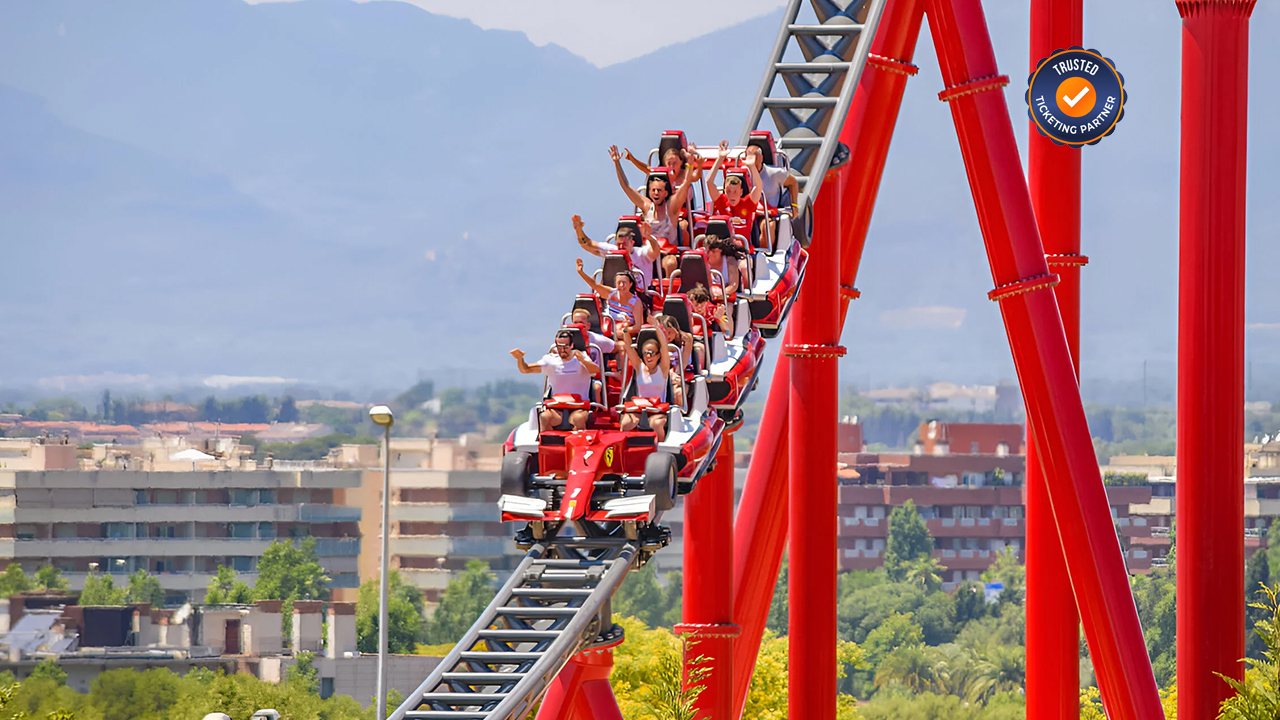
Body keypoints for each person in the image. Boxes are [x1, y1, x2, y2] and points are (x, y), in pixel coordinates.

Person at [609, 145, 696, 275]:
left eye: (659, 190)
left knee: (670, 263)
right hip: (648, 253)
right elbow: (626, 187)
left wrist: (690, 164)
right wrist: (617, 163)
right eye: (653, 190)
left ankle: (667, 287)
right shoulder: (646, 205)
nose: (656, 193)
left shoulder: (672, 206)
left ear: (665, 193)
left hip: (666, 253)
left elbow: (686, 183)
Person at [510, 330, 601, 432]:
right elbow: (526, 369)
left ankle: (579, 440)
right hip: (556, 408)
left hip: (578, 407)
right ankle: (547, 440)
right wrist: (520, 358)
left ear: (571, 345)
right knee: (545, 417)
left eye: (565, 346)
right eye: (559, 347)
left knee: (578, 419)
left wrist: (582, 360)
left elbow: (595, 370)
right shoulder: (551, 360)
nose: (562, 350)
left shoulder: (581, 358)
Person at [573, 215, 661, 289]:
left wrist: (649, 238)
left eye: (624, 244)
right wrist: (578, 230)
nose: (621, 247)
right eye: (619, 244)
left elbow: (655, 251)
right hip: (616, 293)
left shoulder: (641, 254)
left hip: (641, 295)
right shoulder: (613, 251)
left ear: (632, 242)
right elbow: (589, 245)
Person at [619, 328, 676, 440]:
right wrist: (626, 331)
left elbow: (664, 347)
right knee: (626, 423)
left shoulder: (663, 369)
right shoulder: (639, 367)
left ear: (658, 355)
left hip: (657, 410)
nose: (648, 356)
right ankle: (622, 446)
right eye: (645, 353)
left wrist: (657, 328)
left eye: (652, 353)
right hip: (640, 409)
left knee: (656, 424)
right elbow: (629, 348)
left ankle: (660, 446)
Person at [743, 143, 800, 245]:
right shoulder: (743, 174)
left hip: (768, 213)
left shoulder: (774, 173)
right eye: (749, 156)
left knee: (768, 226)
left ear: (761, 158)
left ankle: (765, 252)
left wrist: (794, 205)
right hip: (746, 213)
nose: (752, 160)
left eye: (754, 156)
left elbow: (793, 183)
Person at [576, 257, 646, 333]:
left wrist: (625, 330)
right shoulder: (611, 293)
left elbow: (638, 326)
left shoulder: (635, 302)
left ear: (630, 284)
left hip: (624, 332)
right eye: (619, 283)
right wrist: (581, 272)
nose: (621, 285)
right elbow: (595, 285)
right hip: (607, 328)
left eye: (624, 283)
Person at [706, 140, 764, 230]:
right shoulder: (722, 202)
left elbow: (759, 187)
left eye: (735, 191)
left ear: (741, 192)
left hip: (743, 239)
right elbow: (709, 182)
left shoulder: (747, 203)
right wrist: (720, 158)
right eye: (729, 191)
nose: (732, 195)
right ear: (724, 191)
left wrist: (752, 166)